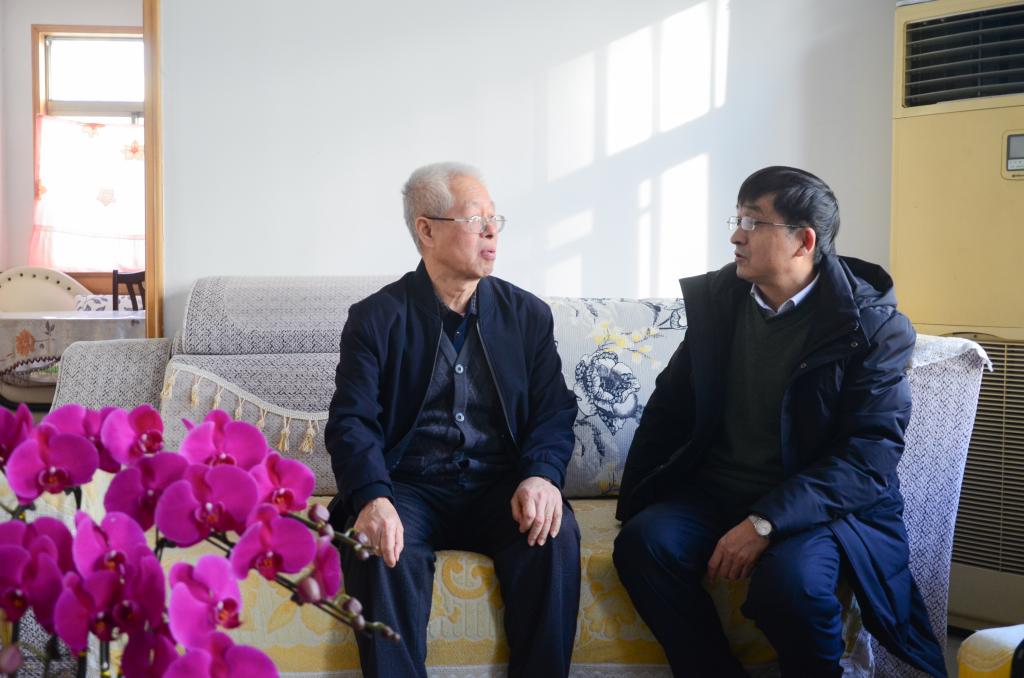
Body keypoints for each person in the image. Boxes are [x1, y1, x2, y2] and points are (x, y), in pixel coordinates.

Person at [613, 166, 947, 677]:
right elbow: (669, 407)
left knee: (791, 587)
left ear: (803, 242)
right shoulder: (720, 302)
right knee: (644, 545)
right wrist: (639, 495)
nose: (736, 235)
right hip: (717, 491)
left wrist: (765, 522)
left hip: (816, 507)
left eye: (752, 221)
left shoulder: (872, 326)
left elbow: (869, 455)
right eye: (737, 219)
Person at [325, 162, 581, 678]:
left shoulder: (527, 315)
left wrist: (541, 475)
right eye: (475, 219)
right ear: (427, 230)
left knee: (552, 534)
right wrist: (373, 498)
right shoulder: (376, 318)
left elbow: (554, 409)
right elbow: (352, 421)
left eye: (494, 219)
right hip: (408, 488)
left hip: (500, 486)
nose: (491, 231)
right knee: (379, 547)